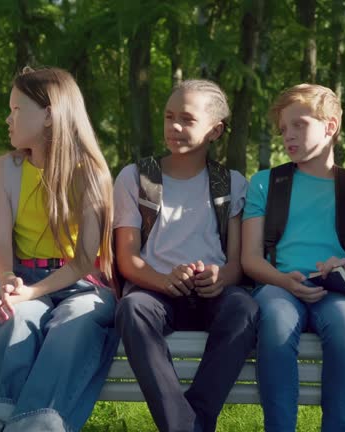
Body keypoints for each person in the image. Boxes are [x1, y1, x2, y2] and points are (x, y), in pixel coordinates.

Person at [0, 67, 119, 432]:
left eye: (17, 109)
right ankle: (2, 417)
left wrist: (32, 292)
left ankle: (34, 424)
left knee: (75, 322)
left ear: (50, 115)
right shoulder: (4, 169)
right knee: (14, 318)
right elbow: (0, 245)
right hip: (23, 276)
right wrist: (8, 280)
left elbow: (86, 259)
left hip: (81, 283)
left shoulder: (89, 173)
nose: (8, 119)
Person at [113, 79, 258, 432]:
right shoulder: (135, 178)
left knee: (245, 308)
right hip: (155, 290)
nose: (174, 127)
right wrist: (163, 279)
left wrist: (220, 277)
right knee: (132, 309)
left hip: (212, 295)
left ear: (215, 130)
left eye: (188, 119)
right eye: (169, 117)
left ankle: (194, 421)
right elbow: (127, 260)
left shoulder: (233, 183)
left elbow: (237, 264)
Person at [241, 83, 345, 432]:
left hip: (334, 288)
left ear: (330, 126)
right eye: (284, 128)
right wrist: (285, 281)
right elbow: (251, 259)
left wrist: (342, 273)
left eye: (299, 124)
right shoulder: (264, 183)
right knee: (277, 323)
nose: (288, 135)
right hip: (278, 284)